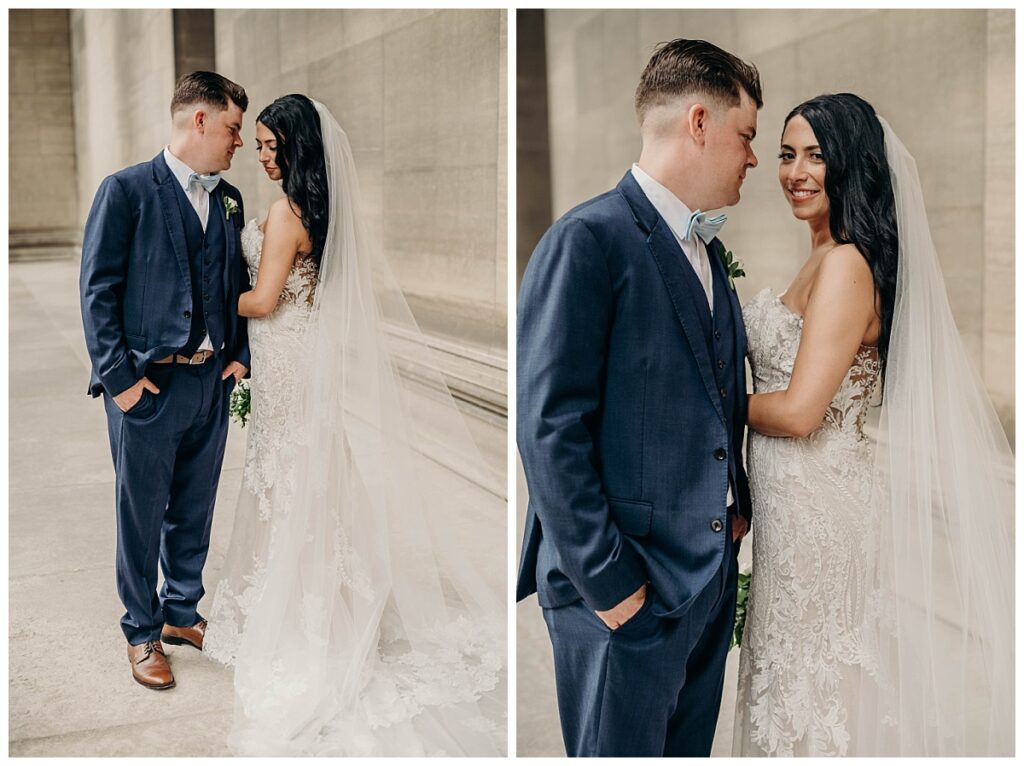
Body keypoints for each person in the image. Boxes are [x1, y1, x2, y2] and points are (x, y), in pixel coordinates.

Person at [203, 94, 505, 756]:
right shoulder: (317, 207)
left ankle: (307, 608)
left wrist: (205, 297)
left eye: (268, 146)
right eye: (254, 145)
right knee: (304, 471)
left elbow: (259, 298)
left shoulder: (286, 215)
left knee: (289, 474)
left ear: (293, 146)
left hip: (286, 353)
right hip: (294, 351)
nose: (260, 157)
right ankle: (321, 589)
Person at [733, 93, 1014, 756]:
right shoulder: (823, 255)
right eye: (785, 154)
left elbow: (801, 411)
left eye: (816, 155)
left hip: (820, 514)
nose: (796, 171)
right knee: (791, 676)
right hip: (794, 513)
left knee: (816, 682)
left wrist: (702, 402)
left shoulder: (849, 266)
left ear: (851, 165)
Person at [517, 40, 759, 756]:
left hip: (705, 584)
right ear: (699, 122)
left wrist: (733, 506)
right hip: (625, 596)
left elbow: (712, 392)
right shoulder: (588, 239)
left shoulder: (709, 252)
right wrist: (610, 583)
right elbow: (549, 424)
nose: (753, 159)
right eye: (745, 136)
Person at [79, 71, 250, 691]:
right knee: (141, 513)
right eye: (232, 128)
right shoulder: (124, 191)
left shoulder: (230, 200)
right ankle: (141, 630)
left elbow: (235, 286)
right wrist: (120, 381)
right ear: (199, 120)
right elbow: (99, 291)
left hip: (210, 383)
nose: (238, 142)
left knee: (195, 508)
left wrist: (240, 356)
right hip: (147, 388)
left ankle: (181, 613)